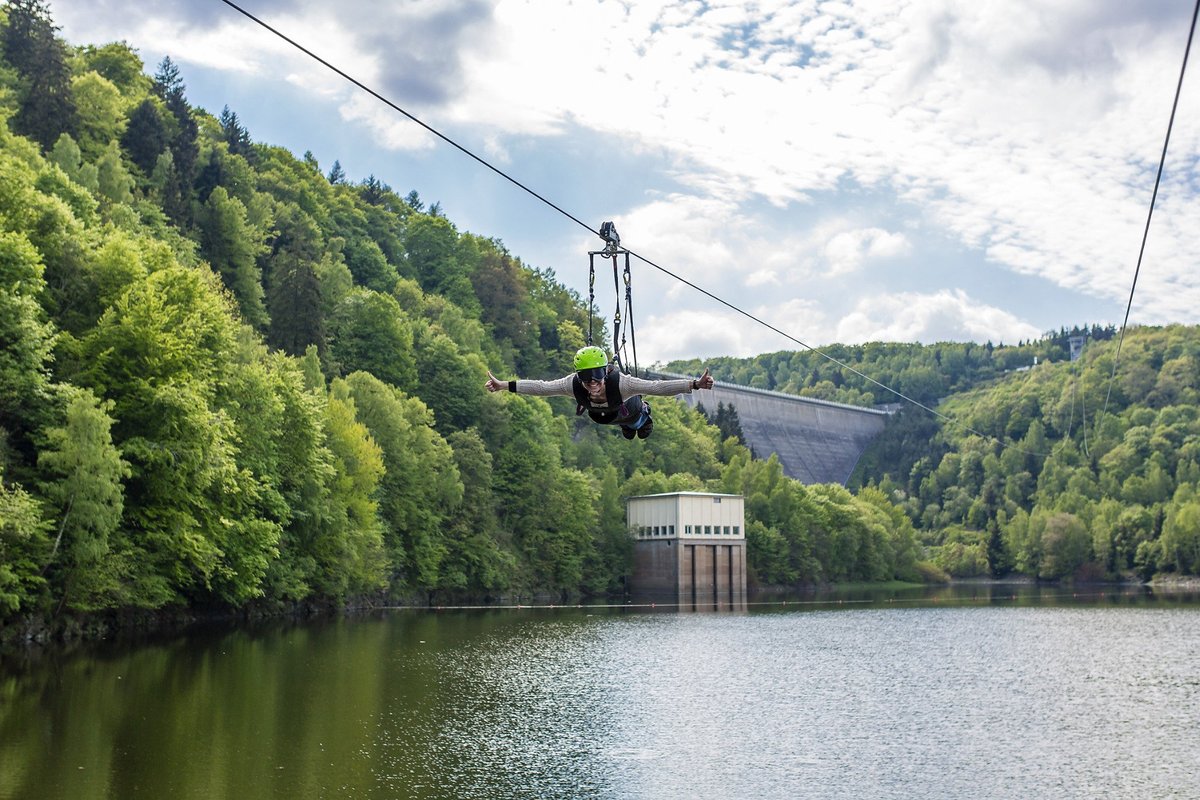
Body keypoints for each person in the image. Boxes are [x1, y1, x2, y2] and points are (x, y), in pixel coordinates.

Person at [485, 346, 715, 440]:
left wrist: (694, 384)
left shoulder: (622, 384)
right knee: (605, 418)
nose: (592, 382)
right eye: (585, 376)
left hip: (630, 409)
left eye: (597, 374)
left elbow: (657, 388)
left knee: (638, 427)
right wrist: (503, 385)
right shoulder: (572, 385)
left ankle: (644, 416)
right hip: (605, 416)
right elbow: (541, 388)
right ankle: (626, 425)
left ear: (605, 372)